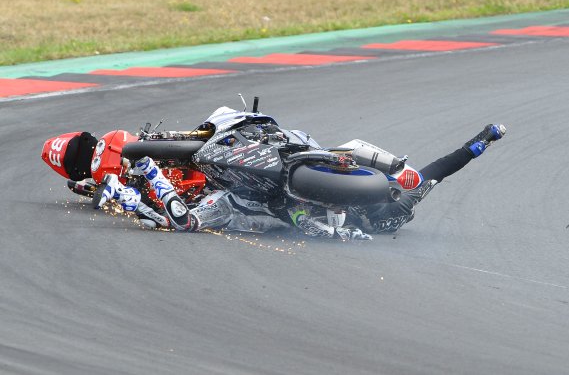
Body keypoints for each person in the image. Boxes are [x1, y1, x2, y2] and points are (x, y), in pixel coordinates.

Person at [95, 122, 506, 240]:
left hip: (261, 203)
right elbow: (447, 164)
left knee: (200, 220)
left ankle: (138, 187)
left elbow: (293, 219)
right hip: (314, 159)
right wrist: (482, 141)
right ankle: (258, 132)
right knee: (352, 149)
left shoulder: (349, 224)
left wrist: (320, 227)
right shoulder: (407, 193)